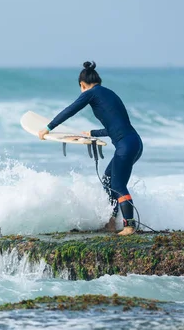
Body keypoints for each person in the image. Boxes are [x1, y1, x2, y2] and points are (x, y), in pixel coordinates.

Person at [38, 61, 143, 236]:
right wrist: (92, 132)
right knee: (109, 179)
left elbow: (70, 110)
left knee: (117, 184)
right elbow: (114, 127)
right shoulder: (109, 93)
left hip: (125, 145)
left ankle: (129, 226)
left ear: (82, 84)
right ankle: (111, 222)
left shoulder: (90, 93)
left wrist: (48, 127)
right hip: (134, 142)